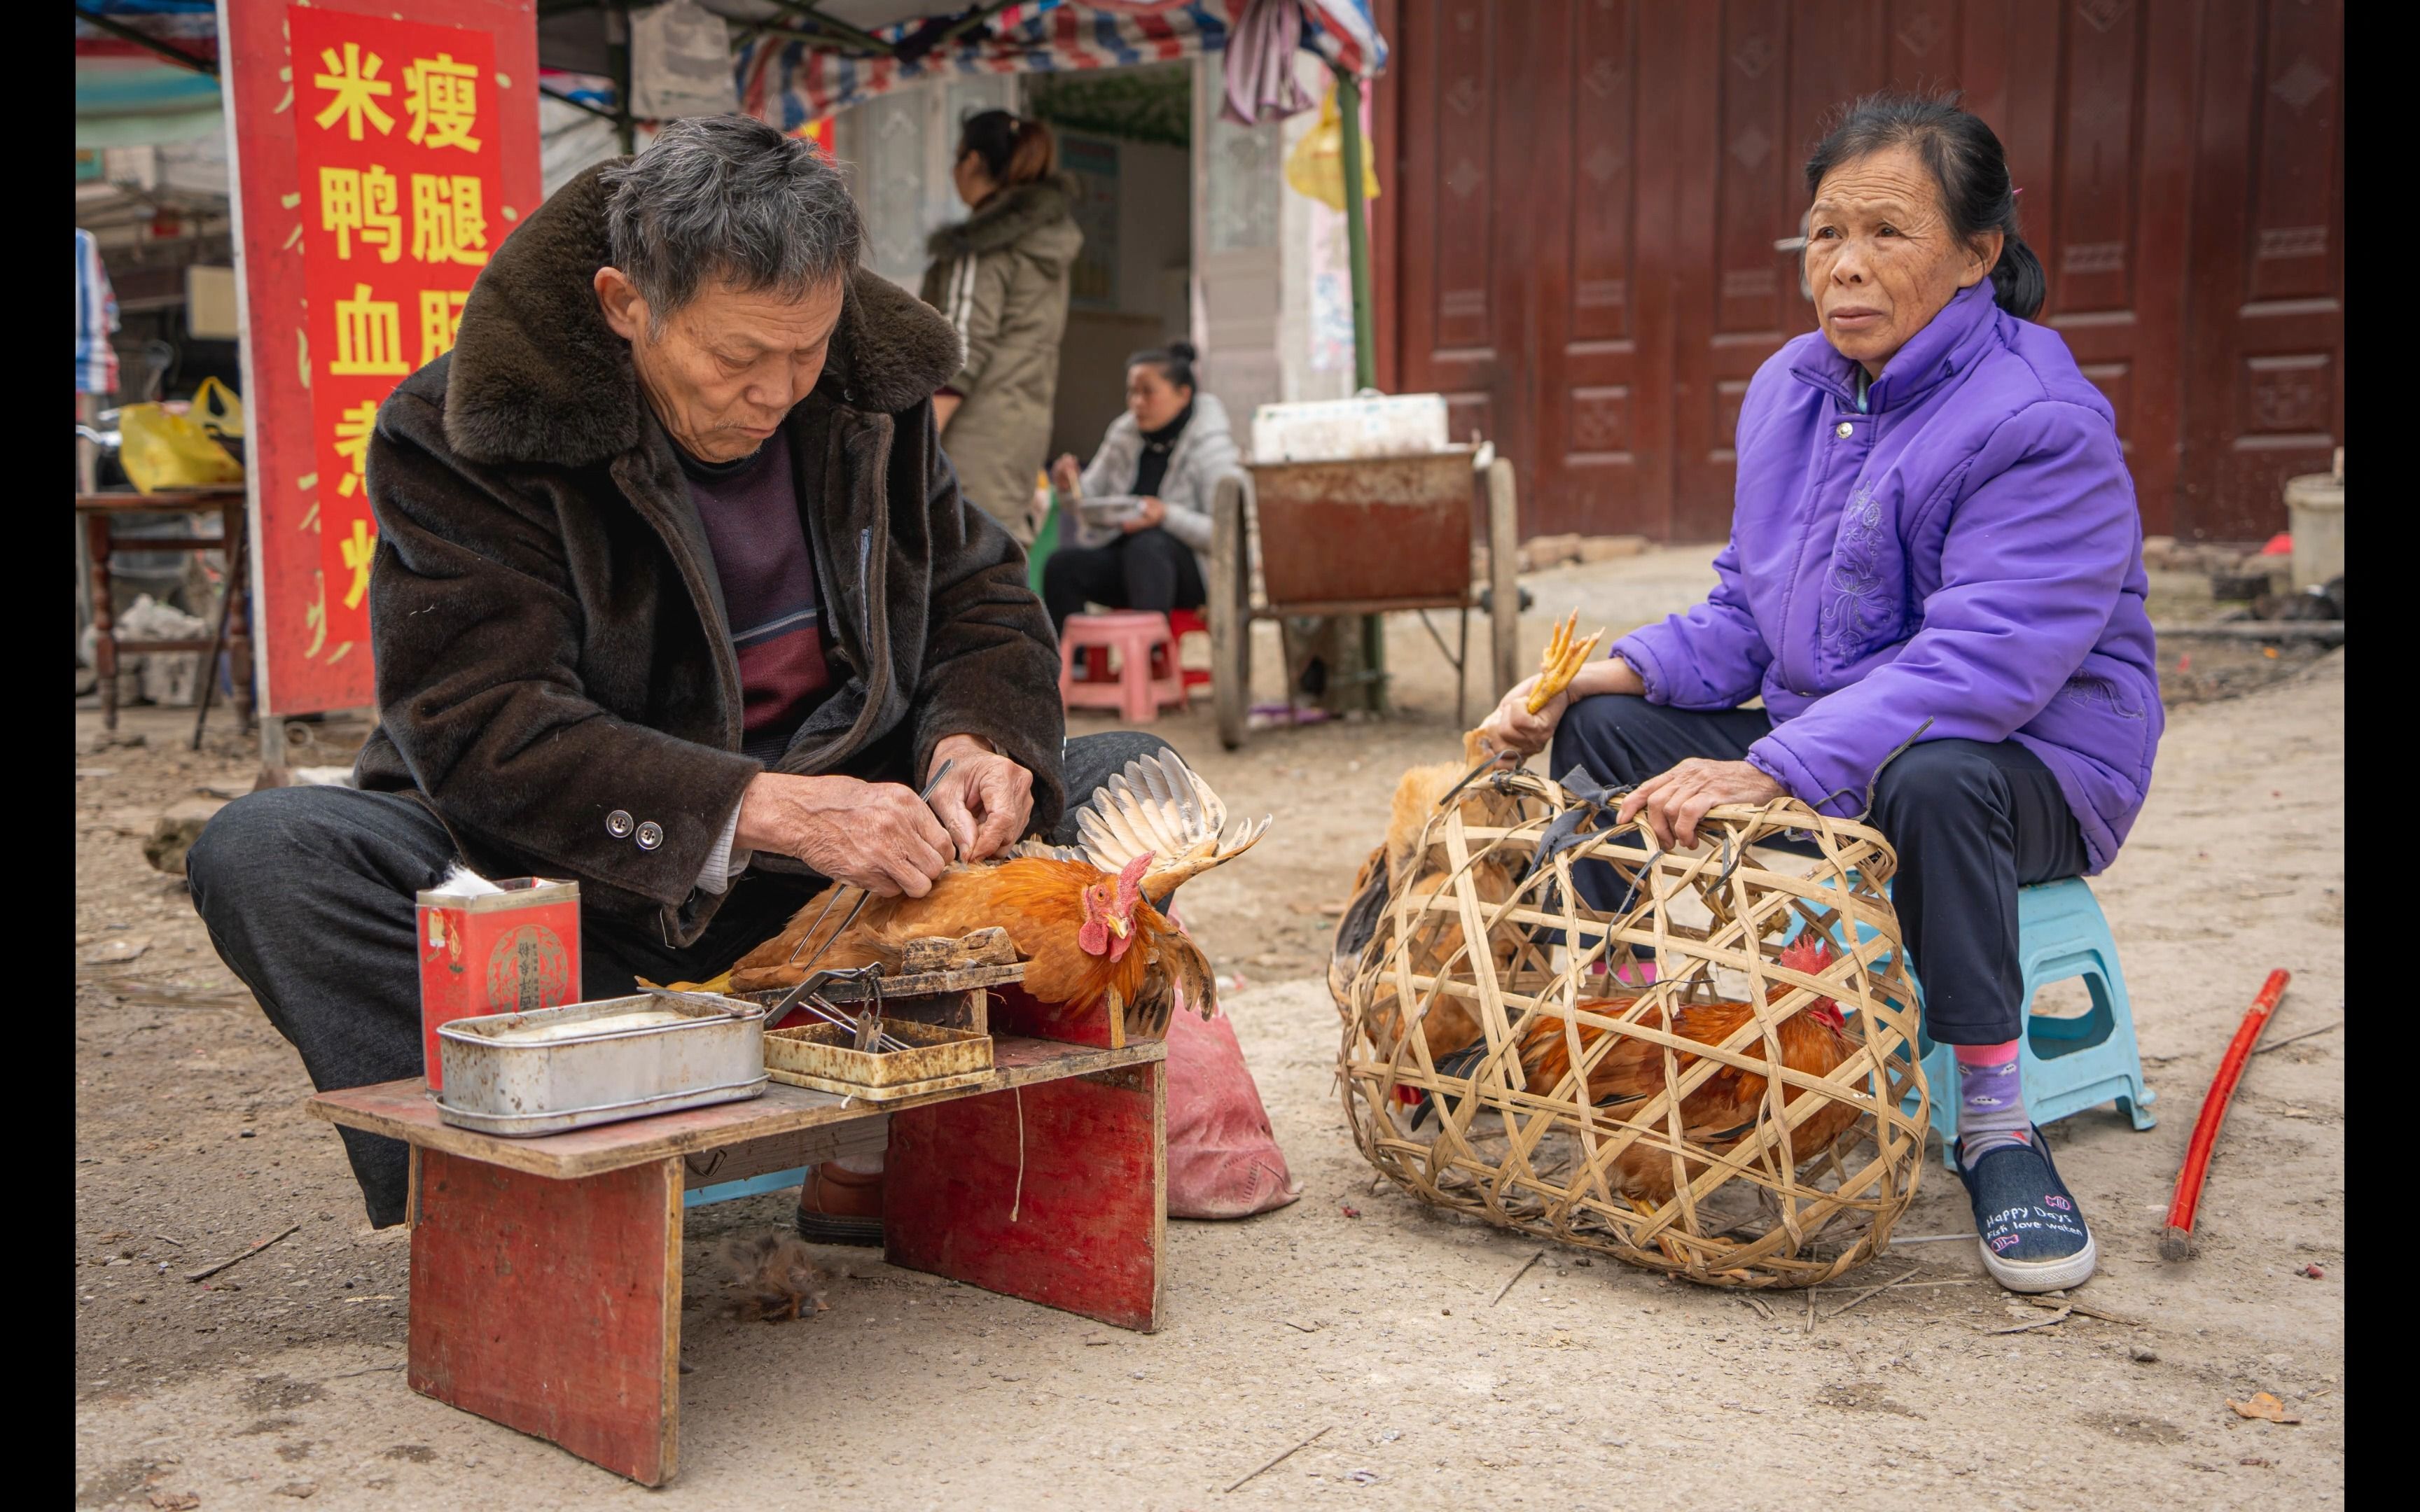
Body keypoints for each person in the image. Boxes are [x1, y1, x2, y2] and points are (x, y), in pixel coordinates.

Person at [186, 116, 1172, 1241]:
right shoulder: (466, 430)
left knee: (1130, 786)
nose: (777, 392)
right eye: (736, 358)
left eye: (804, 352)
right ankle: (537, 1194)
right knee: (269, 857)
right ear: (624, 304)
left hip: (854, 897)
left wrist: (973, 746)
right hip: (587, 892)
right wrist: (763, 808)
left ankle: (898, 1142)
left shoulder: (865, 394)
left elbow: (979, 598)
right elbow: (480, 723)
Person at [1477, 92, 2162, 1296]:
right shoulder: (1795, 388)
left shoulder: (2040, 422)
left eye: (1886, 234)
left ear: (1978, 254)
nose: (1843, 267)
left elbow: (1982, 669)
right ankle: (1623, 1032)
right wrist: (1592, 672)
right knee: (1602, 730)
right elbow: (1751, 611)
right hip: (1841, 736)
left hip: (2035, 762)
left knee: (1933, 774)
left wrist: (1777, 766)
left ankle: (1997, 1124)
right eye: (1824, 233)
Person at [919, 109, 1082, 547]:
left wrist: (911, 443)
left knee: (962, 564)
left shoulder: (982, 243)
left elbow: (960, 348)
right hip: (1023, 430)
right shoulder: (1045, 243)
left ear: (972, 162)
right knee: (1002, 562)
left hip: (972, 435)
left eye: (957, 158)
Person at [1041, 341, 1235, 631]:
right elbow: (1086, 501)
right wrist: (1069, 487)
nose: (1137, 403)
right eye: (1132, 392)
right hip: (1128, 562)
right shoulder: (1124, 434)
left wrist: (1165, 515)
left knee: (1148, 545)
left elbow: (1225, 535)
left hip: (1196, 574)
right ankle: (1071, 666)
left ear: (1183, 395)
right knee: (1061, 566)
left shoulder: (1212, 447)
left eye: (1148, 392)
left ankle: (1150, 659)